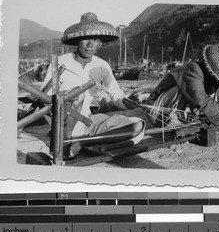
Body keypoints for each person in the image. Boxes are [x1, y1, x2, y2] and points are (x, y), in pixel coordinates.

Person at [43, 12, 145, 159]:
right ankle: (76, 140)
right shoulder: (60, 62)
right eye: (86, 39)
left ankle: (83, 142)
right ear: (78, 40)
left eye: (96, 40)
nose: (90, 45)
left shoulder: (102, 65)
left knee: (137, 126)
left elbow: (116, 95)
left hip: (89, 122)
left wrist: (135, 105)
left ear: (100, 43)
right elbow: (45, 99)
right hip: (64, 124)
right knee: (78, 93)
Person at [145, 44, 219, 127]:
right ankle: (173, 123)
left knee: (212, 94)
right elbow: (199, 98)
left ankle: (181, 122)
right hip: (157, 113)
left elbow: (218, 97)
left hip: (171, 110)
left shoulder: (212, 79)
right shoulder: (193, 69)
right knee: (187, 90)